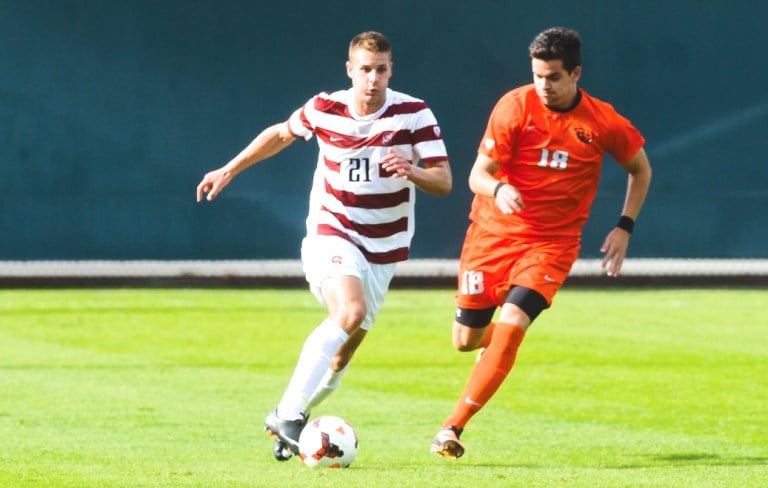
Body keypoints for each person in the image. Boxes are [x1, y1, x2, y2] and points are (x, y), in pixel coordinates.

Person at [196, 31, 452, 461]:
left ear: (392, 70)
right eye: (365, 69)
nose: (373, 79)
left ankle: (291, 423)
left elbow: (443, 180)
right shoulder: (325, 107)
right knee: (348, 312)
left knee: (342, 354)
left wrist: (411, 170)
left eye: (381, 69)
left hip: (384, 248)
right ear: (350, 70)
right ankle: (289, 411)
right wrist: (231, 168)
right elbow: (281, 133)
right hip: (332, 232)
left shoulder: (414, 114)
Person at [430, 27, 652, 459]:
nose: (543, 85)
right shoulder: (514, 107)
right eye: (537, 75)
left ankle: (451, 428)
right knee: (466, 341)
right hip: (491, 236)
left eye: (552, 76)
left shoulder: (603, 121)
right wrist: (497, 190)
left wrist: (624, 226)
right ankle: (494, 350)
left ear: (576, 74)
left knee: (512, 326)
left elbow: (640, 169)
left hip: (551, 244)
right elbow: (478, 175)